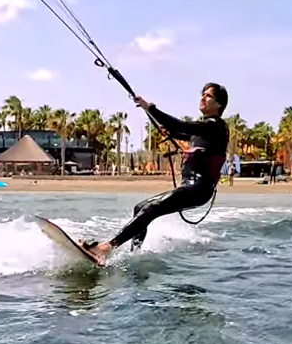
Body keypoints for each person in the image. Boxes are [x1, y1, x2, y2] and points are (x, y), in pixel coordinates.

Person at [80, 83, 230, 266]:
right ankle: (134, 255)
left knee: (152, 209)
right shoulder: (201, 131)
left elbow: (180, 125)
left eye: (208, 96)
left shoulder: (216, 127)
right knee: (140, 208)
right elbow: (172, 130)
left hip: (199, 189)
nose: (202, 98)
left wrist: (150, 107)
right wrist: (148, 113)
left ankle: (106, 248)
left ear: (219, 104)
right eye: (202, 94)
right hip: (189, 187)